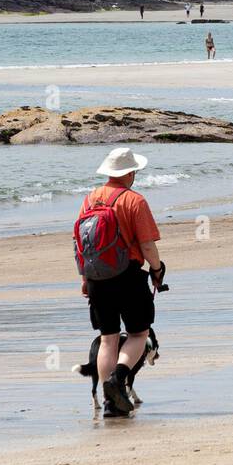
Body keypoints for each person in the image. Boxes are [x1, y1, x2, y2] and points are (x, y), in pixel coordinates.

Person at [77, 148, 164, 417]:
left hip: (96, 278)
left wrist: (84, 279)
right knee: (138, 333)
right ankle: (118, 379)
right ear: (129, 173)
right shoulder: (134, 201)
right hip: (128, 275)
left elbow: (82, 245)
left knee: (107, 339)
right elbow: (147, 246)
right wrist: (157, 269)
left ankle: (110, 402)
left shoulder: (90, 199)